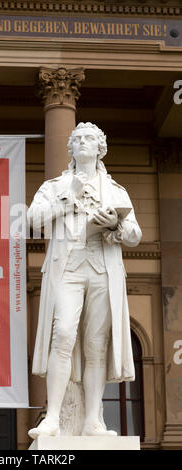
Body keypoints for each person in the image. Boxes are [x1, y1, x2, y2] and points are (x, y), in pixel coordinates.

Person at [27, 122, 142, 438]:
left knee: (95, 345)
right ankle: (52, 417)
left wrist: (115, 227)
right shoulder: (55, 186)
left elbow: (134, 233)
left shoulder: (116, 190)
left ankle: (93, 420)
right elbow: (32, 219)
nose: (80, 142)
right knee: (62, 333)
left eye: (88, 138)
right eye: (76, 139)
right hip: (68, 268)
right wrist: (67, 198)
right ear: (71, 148)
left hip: (102, 267)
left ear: (100, 147)